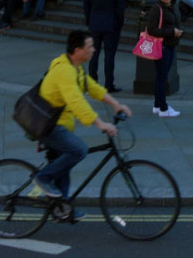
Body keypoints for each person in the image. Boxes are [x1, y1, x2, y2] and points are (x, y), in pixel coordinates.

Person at [34, 29, 131, 201]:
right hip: (49, 125)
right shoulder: (65, 71)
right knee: (79, 150)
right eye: (90, 46)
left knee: (63, 167)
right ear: (78, 50)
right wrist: (100, 124)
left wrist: (116, 104)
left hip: (59, 124)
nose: (93, 49)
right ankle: (43, 177)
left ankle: (62, 207)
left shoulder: (75, 69)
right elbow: (76, 101)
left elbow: (92, 88)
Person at [83, 0, 125, 93]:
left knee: (93, 55)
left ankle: (92, 83)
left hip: (95, 24)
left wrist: (89, 21)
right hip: (111, 24)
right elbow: (120, 9)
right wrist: (118, 24)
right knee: (109, 56)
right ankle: (109, 84)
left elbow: (86, 6)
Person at [147, 0, 183, 117]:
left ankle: (157, 105)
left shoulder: (172, 6)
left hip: (169, 44)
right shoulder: (156, 9)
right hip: (163, 46)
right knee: (162, 77)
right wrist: (172, 32)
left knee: (161, 76)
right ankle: (163, 108)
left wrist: (178, 30)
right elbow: (152, 30)